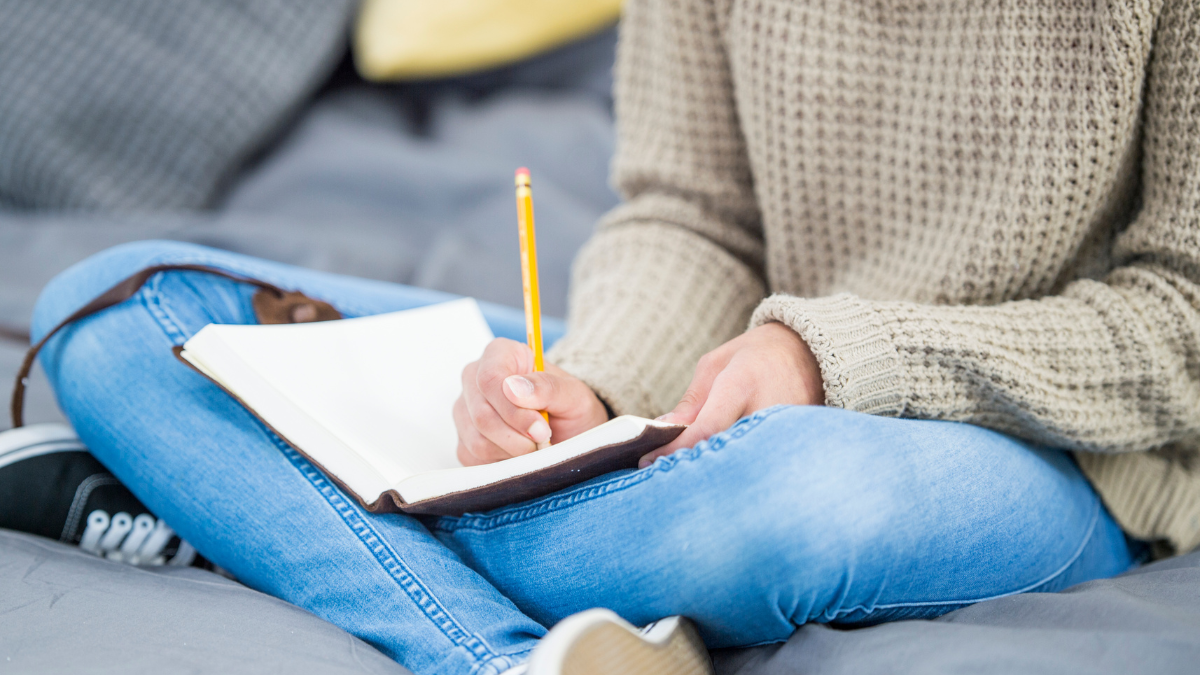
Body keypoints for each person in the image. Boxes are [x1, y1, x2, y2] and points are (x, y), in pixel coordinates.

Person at [16, 0, 1200, 673]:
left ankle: (241, 516)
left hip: (1055, 453)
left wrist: (831, 360)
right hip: (718, 395)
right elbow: (689, 216)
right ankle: (508, 659)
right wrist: (578, 382)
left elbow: (1185, 321)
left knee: (781, 510)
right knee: (124, 309)